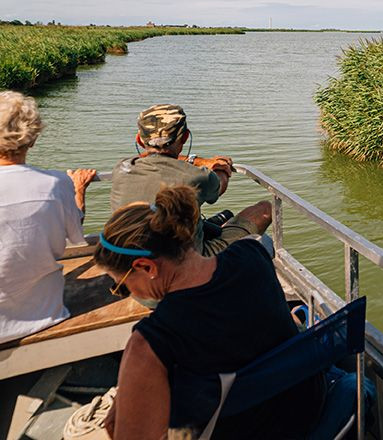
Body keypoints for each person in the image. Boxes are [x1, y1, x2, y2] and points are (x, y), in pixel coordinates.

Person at [94, 185, 325, 440]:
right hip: (309, 411)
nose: (124, 291)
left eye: (120, 285)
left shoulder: (151, 343)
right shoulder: (253, 255)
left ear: (146, 266)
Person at [0, 90, 97, 343]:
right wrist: (78, 190)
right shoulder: (57, 183)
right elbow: (77, 238)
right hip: (44, 315)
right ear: (31, 139)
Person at [110, 104, 271, 255]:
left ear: (139, 140)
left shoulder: (122, 168)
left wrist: (195, 160)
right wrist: (219, 168)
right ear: (185, 137)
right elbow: (220, 186)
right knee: (264, 209)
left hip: (128, 258)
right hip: (187, 264)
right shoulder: (198, 176)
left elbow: (155, 157)